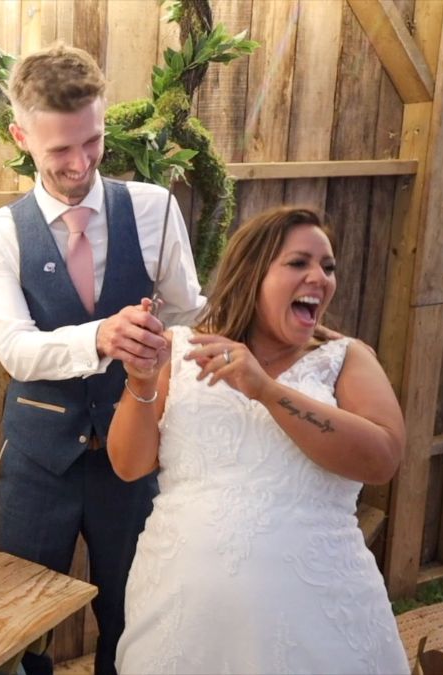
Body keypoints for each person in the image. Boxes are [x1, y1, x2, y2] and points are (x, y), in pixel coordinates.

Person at [0, 42, 205, 675]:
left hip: (134, 459)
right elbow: (15, 350)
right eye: (59, 150)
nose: (80, 163)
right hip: (39, 459)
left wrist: (159, 357)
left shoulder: (153, 209)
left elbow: (187, 313)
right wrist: (102, 338)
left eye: (91, 141)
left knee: (133, 614)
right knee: (21, 622)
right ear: (21, 135)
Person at [109, 206, 409, 673]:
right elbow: (129, 465)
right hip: (180, 608)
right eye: (299, 263)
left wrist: (267, 392)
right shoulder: (183, 348)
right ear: (252, 273)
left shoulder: (346, 358)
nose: (320, 278)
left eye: (327, 267)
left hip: (321, 613)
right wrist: (142, 381)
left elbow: (382, 459)